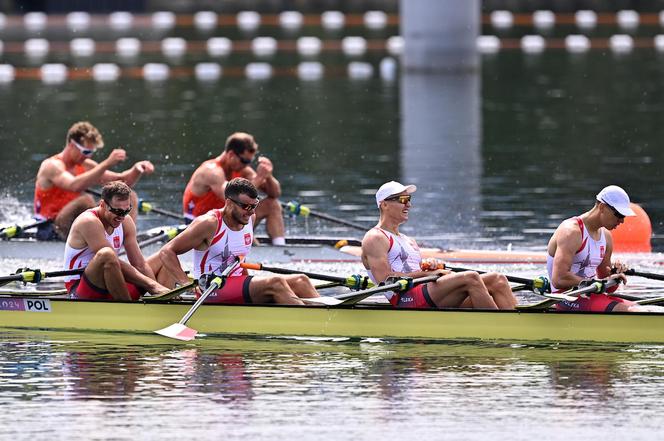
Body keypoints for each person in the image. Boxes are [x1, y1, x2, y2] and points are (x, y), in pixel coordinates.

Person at [151, 178, 319, 305]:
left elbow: (239, 261)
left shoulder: (249, 218)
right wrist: (186, 283)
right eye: (246, 206)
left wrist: (253, 286)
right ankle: (313, 324)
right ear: (229, 203)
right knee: (276, 283)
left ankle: (330, 315)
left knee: (301, 280)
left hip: (235, 285)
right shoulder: (209, 224)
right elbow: (167, 251)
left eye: (254, 206)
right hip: (211, 289)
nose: (251, 212)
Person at [361, 181, 517, 310]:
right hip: (405, 299)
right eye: (402, 200)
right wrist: (426, 274)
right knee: (471, 277)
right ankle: (499, 329)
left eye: (409, 199)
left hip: (425, 292)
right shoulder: (375, 237)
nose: (408, 205)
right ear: (384, 205)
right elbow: (385, 280)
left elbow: (413, 270)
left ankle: (517, 325)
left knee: (498, 280)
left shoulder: (409, 240)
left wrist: (429, 267)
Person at [34, 121, 155, 240]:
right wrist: (106, 163)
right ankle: (102, 239)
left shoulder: (85, 165)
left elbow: (122, 182)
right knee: (85, 201)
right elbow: (74, 185)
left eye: (91, 152)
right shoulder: (52, 165)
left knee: (128, 196)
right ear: (72, 144)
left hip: (79, 222)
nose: (88, 156)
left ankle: (125, 239)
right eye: (86, 152)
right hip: (50, 226)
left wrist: (137, 169)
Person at [63, 181, 169, 301]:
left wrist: (157, 288)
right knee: (107, 254)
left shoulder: (126, 222)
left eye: (126, 211)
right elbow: (112, 260)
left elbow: (139, 264)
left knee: (165, 256)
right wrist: (152, 285)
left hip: (112, 285)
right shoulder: (88, 222)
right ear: (103, 205)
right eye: (118, 211)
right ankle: (127, 309)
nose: (122, 217)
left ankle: (164, 302)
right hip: (83, 289)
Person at [546, 185, 646, 312]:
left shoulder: (607, 237)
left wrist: (614, 276)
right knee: (633, 311)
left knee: (640, 309)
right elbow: (559, 279)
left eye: (624, 216)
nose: (622, 221)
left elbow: (608, 288)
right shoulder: (571, 232)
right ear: (602, 207)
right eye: (619, 214)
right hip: (566, 298)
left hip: (590, 296)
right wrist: (595, 282)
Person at [182, 132, 285, 245]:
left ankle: (280, 248)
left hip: (226, 221)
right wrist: (260, 177)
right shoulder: (212, 172)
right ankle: (254, 246)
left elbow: (275, 193)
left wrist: (268, 175)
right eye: (244, 161)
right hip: (201, 226)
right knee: (247, 236)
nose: (246, 165)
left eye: (249, 162)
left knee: (272, 204)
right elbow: (232, 196)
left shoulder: (241, 169)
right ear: (231, 154)